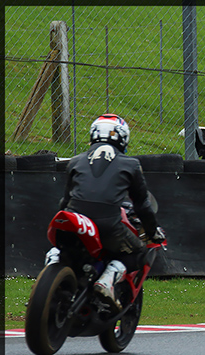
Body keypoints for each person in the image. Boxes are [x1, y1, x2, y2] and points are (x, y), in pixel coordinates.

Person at [53, 114, 165, 310]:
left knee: (61, 246)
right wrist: (152, 230)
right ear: (122, 138)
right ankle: (106, 281)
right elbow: (142, 206)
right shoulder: (131, 164)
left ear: (94, 134)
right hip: (107, 224)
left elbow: (66, 200)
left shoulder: (75, 161)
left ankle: (51, 262)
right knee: (139, 252)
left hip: (71, 219)